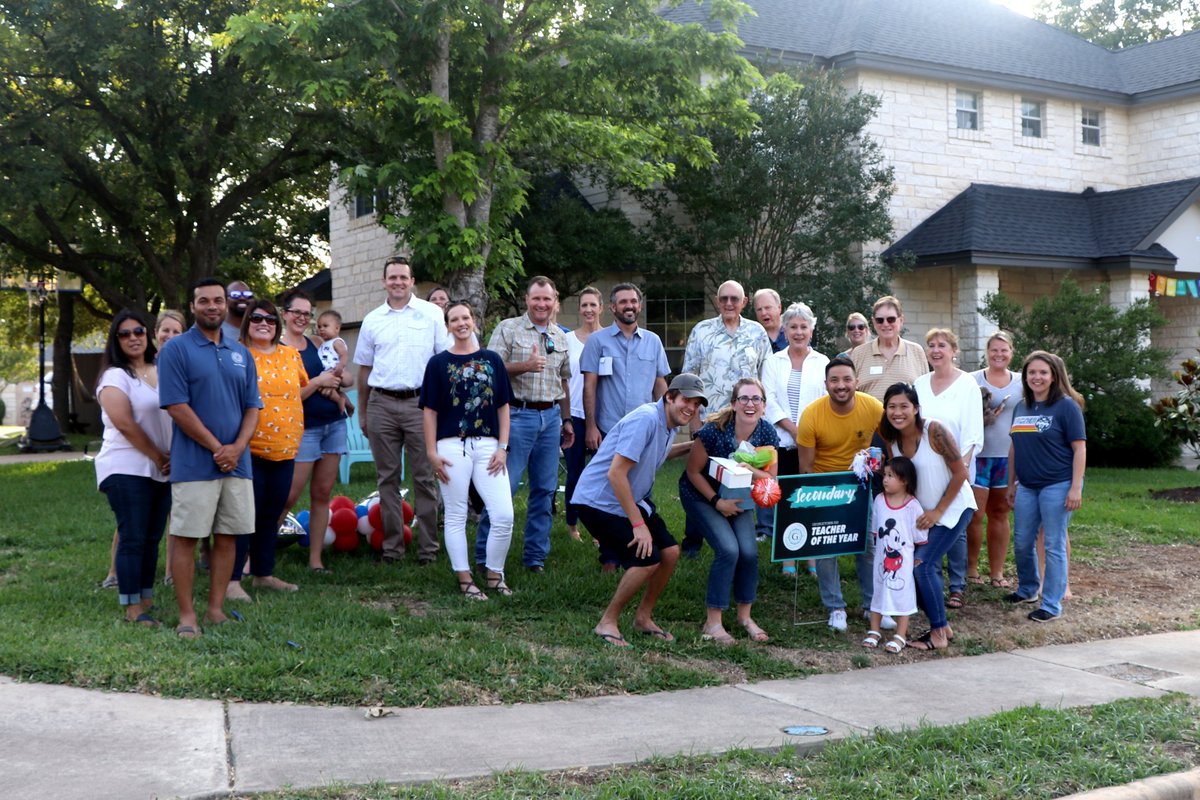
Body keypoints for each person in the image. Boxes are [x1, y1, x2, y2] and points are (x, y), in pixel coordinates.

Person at [158, 278, 262, 639]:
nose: (213, 306)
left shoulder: (241, 352)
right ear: (192, 306)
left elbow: (253, 407)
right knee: (186, 538)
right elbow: (176, 405)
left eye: (218, 300)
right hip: (195, 464)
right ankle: (187, 616)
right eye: (204, 301)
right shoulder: (177, 350)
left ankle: (215, 609)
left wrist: (236, 449)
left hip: (238, 463)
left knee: (229, 537)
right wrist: (218, 447)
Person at [572, 374, 703, 647]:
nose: (690, 408)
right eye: (686, 400)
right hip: (598, 501)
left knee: (670, 552)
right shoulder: (645, 419)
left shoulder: (666, 423)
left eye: (696, 404)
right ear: (669, 396)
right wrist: (638, 525)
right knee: (646, 559)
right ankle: (606, 622)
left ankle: (643, 617)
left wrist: (693, 446)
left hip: (628, 499)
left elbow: (656, 453)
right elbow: (616, 474)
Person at [229, 299, 338, 597]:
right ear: (246, 323)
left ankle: (264, 574)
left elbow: (301, 391)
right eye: (256, 318)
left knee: (271, 514)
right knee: (244, 517)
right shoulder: (238, 355)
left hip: (287, 447)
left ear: (278, 325)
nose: (264, 323)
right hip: (249, 449)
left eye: (270, 319)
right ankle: (233, 580)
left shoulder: (291, 355)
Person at [353, 255, 449, 566]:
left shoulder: (432, 314)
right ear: (384, 282)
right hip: (381, 403)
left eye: (403, 277)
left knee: (424, 477)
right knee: (387, 479)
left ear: (412, 282)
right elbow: (364, 371)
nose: (397, 282)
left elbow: (444, 364)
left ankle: (428, 550)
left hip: (420, 404)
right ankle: (392, 548)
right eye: (392, 277)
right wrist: (364, 414)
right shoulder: (372, 320)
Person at [476, 276, 574, 573]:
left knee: (544, 491)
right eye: (536, 298)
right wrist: (525, 367)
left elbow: (564, 381)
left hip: (550, 418)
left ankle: (535, 558)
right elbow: (488, 369)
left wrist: (566, 420)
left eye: (547, 299)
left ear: (555, 301)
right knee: (503, 489)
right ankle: (484, 557)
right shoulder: (509, 329)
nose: (542, 304)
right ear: (526, 300)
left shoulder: (559, 336)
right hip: (516, 417)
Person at [420, 300, 515, 600]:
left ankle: (494, 574)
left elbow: (503, 407)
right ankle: (464, 578)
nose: (461, 323)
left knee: (504, 515)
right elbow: (429, 411)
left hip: (489, 445)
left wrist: (503, 447)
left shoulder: (492, 360)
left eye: (466, 317)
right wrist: (431, 452)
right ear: (447, 326)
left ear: (474, 321)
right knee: (457, 513)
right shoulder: (437, 364)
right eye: (454, 319)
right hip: (450, 446)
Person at [878, 382, 977, 652]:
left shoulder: (934, 430)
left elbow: (961, 474)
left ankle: (937, 635)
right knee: (913, 565)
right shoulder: (891, 438)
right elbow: (899, 477)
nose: (897, 412)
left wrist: (938, 511)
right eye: (891, 407)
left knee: (923, 565)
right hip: (922, 516)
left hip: (953, 508)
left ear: (916, 408)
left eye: (904, 406)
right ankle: (943, 626)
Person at [681, 377, 778, 645]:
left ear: (764, 406)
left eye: (756, 399)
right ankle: (712, 623)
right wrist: (716, 502)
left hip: (739, 499)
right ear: (734, 404)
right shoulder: (714, 430)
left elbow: (771, 480)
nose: (750, 404)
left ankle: (744, 616)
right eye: (744, 399)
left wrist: (752, 471)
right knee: (729, 550)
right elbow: (692, 472)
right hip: (702, 495)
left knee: (748, 552)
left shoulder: (767, 433)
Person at [580, 282, 671, 568]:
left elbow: (660, 383)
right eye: (623, 302)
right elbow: (590, 386)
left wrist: (668, 423)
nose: (629, 306)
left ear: (639, 305)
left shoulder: (653, 341)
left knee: (638, 490)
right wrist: (591, 426)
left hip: (645, 432)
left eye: (633, 301)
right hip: (609, 429)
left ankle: (636, 550)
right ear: (612, 307)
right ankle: (609, 556)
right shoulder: (598, 341)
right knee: (609, 492)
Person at [94, 309, 173, 627]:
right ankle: (132, 607)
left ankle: (146, 597)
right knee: (133, 536)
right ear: (116, 341)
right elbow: (124, 423)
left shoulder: (160, 369)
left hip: (161, 466)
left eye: (138, 331)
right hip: (126, 466)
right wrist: (157, 454)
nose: (133, 338)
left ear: (148, 335)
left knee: (153, 536)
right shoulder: (114, 376)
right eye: (124, 334)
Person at [680, 279, 770, 555]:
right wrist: (694, 421)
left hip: (746, 423)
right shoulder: (702, 331)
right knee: (700, 478)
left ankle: (736, 533)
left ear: (744, 302)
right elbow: (689, 377)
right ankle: (693, 542)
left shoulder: (757, 333)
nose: (729, 304)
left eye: (735, 299)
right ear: (717, 302)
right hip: (709, 422)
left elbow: (765, 378)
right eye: (724, 299)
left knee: (740, 476)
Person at [796, 357, 884, 632]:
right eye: (834, 380)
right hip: (824, 486)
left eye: (847, 379)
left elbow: (885, 449)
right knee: (826, 548)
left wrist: (873, 467)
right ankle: (835, 607)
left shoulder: (873, 408)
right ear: (826, 384)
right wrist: (817, 501)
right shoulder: (812, 414)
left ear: (857, 382)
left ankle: (872, 606)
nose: (841, 385)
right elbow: (806, 468)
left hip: (860, 483)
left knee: (868, 546)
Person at [1006, 351, 1087, 623]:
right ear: (1025, 376)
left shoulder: (1066, 407)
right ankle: (1028, 589)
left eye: (1043, 372)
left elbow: (1080, 449)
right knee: (1021, 541)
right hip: (1027, 486)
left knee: (1053, 544)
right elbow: (1014, 447)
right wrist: (1011, 483)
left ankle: (1051, 604)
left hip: (1058, 484)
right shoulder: (1021, 407)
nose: (1036, 377)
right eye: (1032, 372)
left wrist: (1075, 487)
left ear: (1054, 376)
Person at [278, 290, 352, 573]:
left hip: (333, 424)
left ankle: (316, 560)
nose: (301, 318)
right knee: (289, 496)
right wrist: (319, 381)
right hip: (303, 429)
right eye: (296, 312)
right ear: (284, 314)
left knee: (322, 494)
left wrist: (339, 378)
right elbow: (286, 395)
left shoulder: (318, 342)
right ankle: (254, 559)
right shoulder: (278, 347)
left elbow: (347, 376)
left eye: (306, 313)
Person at [913, 328, 984, 611]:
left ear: (954, 350)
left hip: (956, 467)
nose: (936, 350)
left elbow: (972, 433)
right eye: (931, 345)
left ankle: (957, 585)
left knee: (955, 525)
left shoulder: (966, 384)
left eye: (942, 345)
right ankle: (930, 582)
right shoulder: (918, 383)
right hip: (924, 469)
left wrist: (961, 469)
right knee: (928, 524)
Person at [760, 301, 828, 569]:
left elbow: (826, 400)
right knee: (786, 499)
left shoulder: (822, 361)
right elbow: (770, 400)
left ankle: (811, 559)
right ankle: (788, 558)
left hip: (814, 443)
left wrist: (809, 434)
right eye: (793, 327)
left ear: (811, 329)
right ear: (784, 331)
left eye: (804, 327)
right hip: (783, 441)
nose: (798, 332)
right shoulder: (773, 361)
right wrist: (794, 429)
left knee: (808, 500)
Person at [968, 331, 1021, 587]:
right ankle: (971, 569)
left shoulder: (1022, 382)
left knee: (1000, 513)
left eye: (1004, 350)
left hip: (1007, 457)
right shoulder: (971, 380)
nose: (999, 354)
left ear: (1012, 352)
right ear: (987, 352)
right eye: (994, 350)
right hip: (978, 457)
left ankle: (997, 573)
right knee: (975, 515)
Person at [863, 457, 924, 654]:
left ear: (905, 480)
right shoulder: (880, 500)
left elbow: (919, 537)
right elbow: (875, 529)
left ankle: (901, 634)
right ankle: (874, 631)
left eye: (891, 476)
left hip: (903, 563)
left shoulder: (913, 506)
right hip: (881, 559)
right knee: (878, 591)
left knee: (903, 595)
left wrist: (916, 558)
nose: (885, 480)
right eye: (885, 475)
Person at [564, 287, 604, 543]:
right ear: (579, 309)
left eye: (593, 305)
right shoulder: (567, 340)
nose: (588, 310)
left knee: (602, 475)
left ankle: (601, 528)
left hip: (605, 416)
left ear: (601, 307)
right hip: (575, 415)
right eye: (584, 305)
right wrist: (565, 417)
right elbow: (563, 381)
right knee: (575, 472)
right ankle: (572, 524)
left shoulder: (611, 337)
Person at [849, 296, 928, 401]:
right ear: (873, 322)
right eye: (880, 320)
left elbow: (925, 392)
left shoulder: (916, 351)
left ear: (901, 320)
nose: (885, 324)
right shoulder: (859, 353)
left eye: (891, 319)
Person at [315, 309, 352, 417]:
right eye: (319, 326)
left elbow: (344, 355)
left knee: (320, 386)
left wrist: (340, 367)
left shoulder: (337, 342)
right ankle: (344, 401)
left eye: (325, 326)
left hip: (334, 370)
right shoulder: (324, 343)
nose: (321, 329)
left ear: (337, 328)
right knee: (323, 387)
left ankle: (340, 400)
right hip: (327, 371)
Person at [753, 288, 788, 353]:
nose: (763, 313)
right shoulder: (752, 339)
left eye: (767, 308)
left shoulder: (793, 334)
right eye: (759, 309)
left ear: (779, 308)